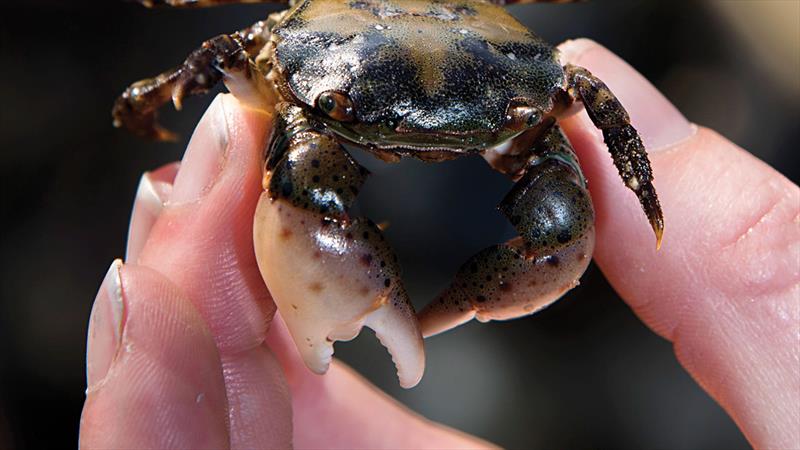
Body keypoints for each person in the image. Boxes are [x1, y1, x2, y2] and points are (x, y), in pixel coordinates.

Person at [79, 39, 799, 449]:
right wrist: (165, 89)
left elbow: (570, 219)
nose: (420, 143)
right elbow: (222, 60)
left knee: (560, 226)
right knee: (301, 187)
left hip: (448, 99)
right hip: (346, 87)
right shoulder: (281, 54)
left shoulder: (544, 94)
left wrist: (642, 177)